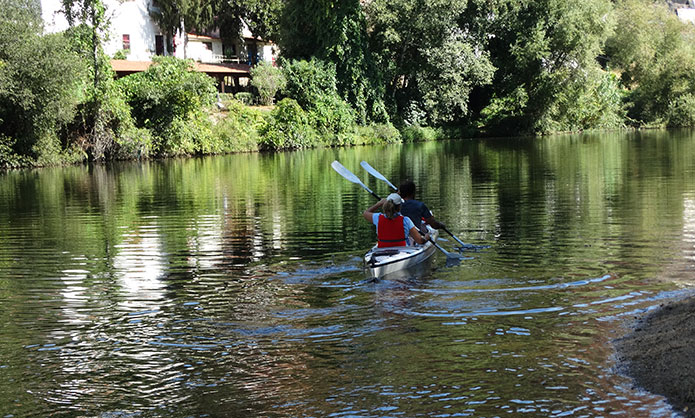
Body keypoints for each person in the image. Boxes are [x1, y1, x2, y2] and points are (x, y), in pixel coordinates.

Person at [363, 193, 430, 247]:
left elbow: (365, 213)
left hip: (382, 250)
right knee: (412, 240)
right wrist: (426, 238)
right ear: (399, 206)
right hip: (402, 251)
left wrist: (378, 204)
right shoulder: (406, 220)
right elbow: (420, 241)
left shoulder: (377, 218)